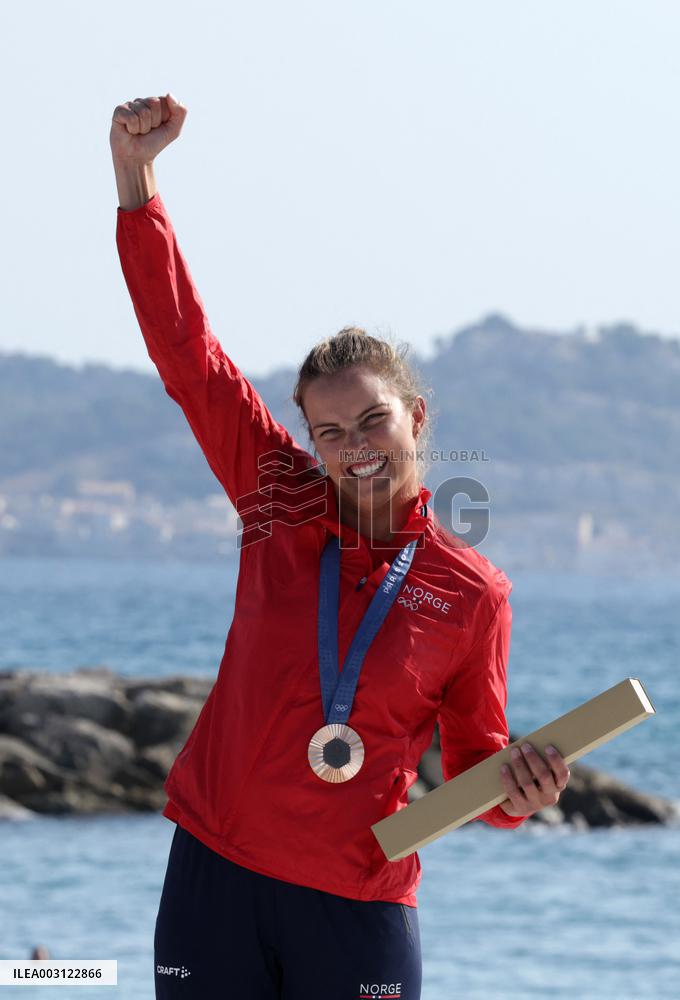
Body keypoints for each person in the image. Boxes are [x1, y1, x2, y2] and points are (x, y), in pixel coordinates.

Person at [110, 94, 571, 1000]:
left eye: (373, 420)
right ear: (307, 440)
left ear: (417, 418)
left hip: (357, 904)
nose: (354, 447)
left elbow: (474, 767)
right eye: (330, 431)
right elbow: (187, 354)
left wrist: (518, 794)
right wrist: (138, 182)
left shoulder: (471, 592)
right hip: (216, 876)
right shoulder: (276, 494)